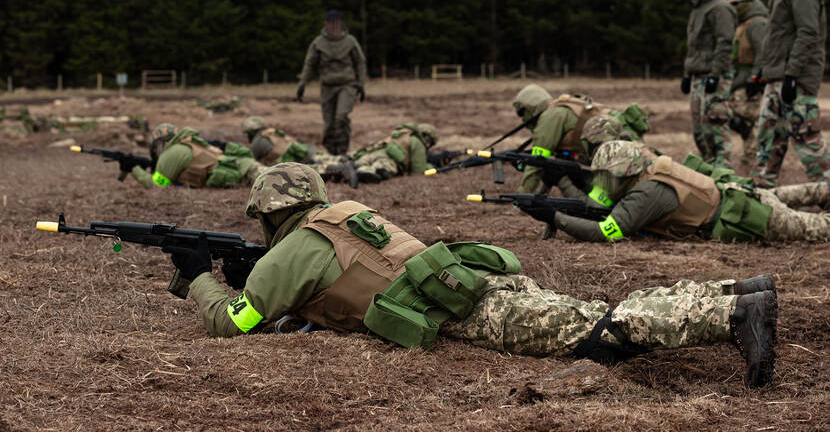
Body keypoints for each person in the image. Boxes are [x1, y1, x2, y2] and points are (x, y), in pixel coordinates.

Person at [166, 163, 778, 387]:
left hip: (470, 308)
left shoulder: (290, 251)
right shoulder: (345, 215)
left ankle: (731, 313)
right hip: (474, 280)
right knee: (595, 308)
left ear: (269, 214)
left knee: (595, 329)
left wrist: (198, 275)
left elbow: (234, 322)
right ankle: (732, 291)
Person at [553, 140, 830, 244]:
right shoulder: (647, 174)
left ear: (623, 173)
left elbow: (604, 231)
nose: (602, 184)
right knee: (802, 195)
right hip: (738, 197)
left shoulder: (646, 193)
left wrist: (556, 218)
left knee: (818, 227)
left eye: (606, 177)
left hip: (747, 214)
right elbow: (597, 206)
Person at [750, 0, 830, 188]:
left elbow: (809, 33)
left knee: (807, 139)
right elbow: (776, 37)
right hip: (778, 77)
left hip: (796, 79)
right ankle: (763, 195)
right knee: (769, 138)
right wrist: (763, 72)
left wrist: (792, 75)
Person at [512, 85, 649, 194]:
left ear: (531, 107)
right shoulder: (559, 109)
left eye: (522, 112)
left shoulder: (550, 117)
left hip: (618, 155)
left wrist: (523, 193)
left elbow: (537, 160)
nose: (523, 118)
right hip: (624, 147)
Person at [681, 0, 737, 167]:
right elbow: (694, 46)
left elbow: (724, 43)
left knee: (716, 128)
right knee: (700, 132)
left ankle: (726, 173)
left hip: (715, 77)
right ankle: (710, 173)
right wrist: (687, 75)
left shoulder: (720, 7)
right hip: (698, 76)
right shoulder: (698, 9)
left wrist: (715, 74)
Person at [296, 10, 367, 155]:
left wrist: (361, 84)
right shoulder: (318, 43)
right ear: (326, 24)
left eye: (338, 23)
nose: (335, 27)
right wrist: (302, 84)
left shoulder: (350, 41)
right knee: (329, 124)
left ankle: (342, 150)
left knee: (341, 117)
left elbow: (360, 62)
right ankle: (331, 152)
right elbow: (310, 64)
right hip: (327, 86)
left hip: (347, 84)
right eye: (332, 23)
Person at [130, 123, 266, 188]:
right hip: (243, 167)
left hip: (245, 172)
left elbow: (158, 184)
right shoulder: (187, 144)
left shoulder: (172, 152)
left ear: (161, 143)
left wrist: (135, 169)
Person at [242, 116, 357, 187]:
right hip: (303, 151)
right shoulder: (272, 132)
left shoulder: (256, 143)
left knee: (311, 171)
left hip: (290, 161)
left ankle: (339, 168)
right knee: (327, 159)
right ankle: (353, 164)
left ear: (250, 133)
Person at [727, 0, 769, 168]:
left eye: (735, 5)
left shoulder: (757, 23)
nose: (732, 9)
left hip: (750, 79)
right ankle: (750, 157)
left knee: (751, 118)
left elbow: (763, 52)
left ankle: (754, 159)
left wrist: (756, 78)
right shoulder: (743, 23)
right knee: (736, 117)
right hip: (740, 78)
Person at [350, 123, 438, 183]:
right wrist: (430, 166)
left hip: (375, 153)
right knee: (374, 171)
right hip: (388, 161)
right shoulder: (418, 144)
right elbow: (418, 171)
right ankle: (359, 171)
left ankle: (350, 167)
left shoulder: (403, 134)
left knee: (357, 163)